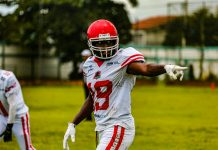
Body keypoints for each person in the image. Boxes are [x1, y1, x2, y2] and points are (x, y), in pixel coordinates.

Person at [63, 19, 187, 150]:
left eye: (109, 42)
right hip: (102, 128)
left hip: (119, 125)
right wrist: (73, 123)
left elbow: (145, 69)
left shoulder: (122, 59)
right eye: (100, 43)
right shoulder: (89, 65)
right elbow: (93, 98)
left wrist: (165, 67)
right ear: (90, 43)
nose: (105, 47)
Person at [0, 69, 35, 150]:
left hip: (18, 116)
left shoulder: (8, 78)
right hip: (1, 115)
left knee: (27, 148)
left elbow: (13, 104)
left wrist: (9, 127)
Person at [78, 49, 92, 121]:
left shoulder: (93, 63)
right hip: (86, 84)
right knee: (87, 100)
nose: (84, 57)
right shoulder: (82, 64)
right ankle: (88, 117)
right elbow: (80, 73)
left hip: (93, 84)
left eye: (86, 56)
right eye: (83, 56)